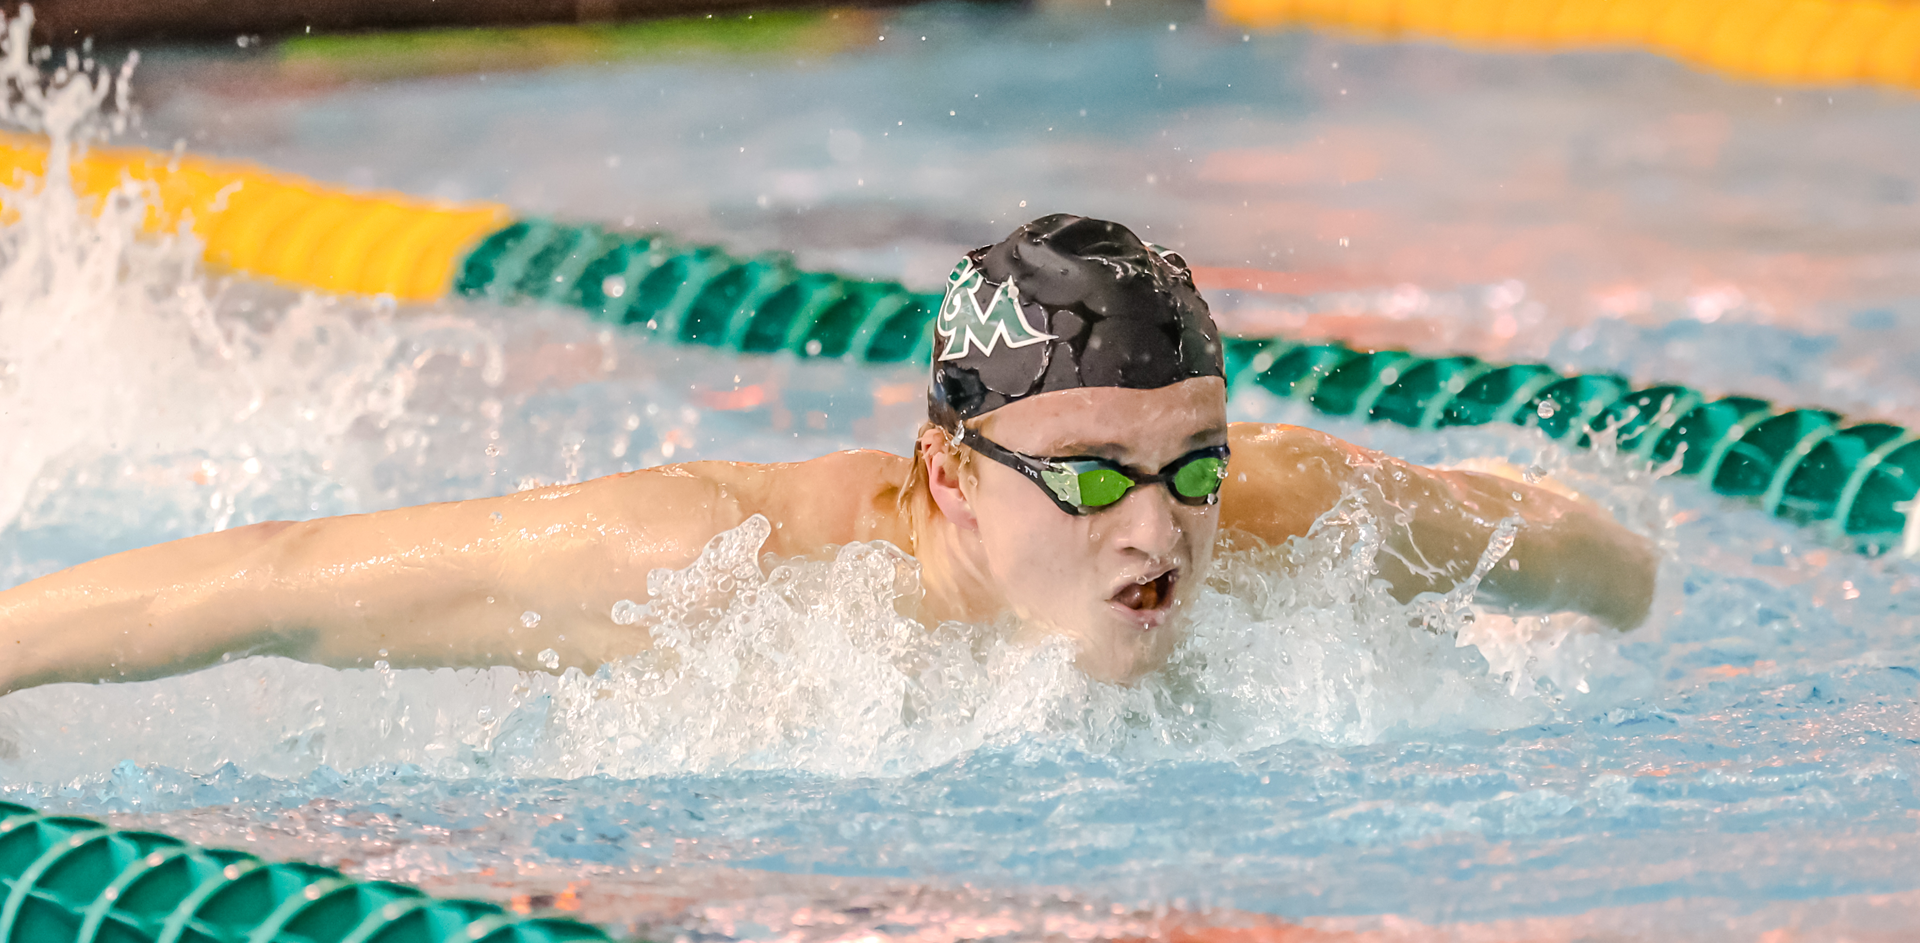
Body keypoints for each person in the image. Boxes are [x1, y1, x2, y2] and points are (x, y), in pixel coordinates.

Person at [0, 215, 1656, 695]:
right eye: (1087, 471)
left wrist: (1644, 597)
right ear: (944, 477)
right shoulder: (719, 571)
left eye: (1189, 465)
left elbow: (1570, 545)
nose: (1161, 528)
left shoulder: (1290, 515)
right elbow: (277, 576)